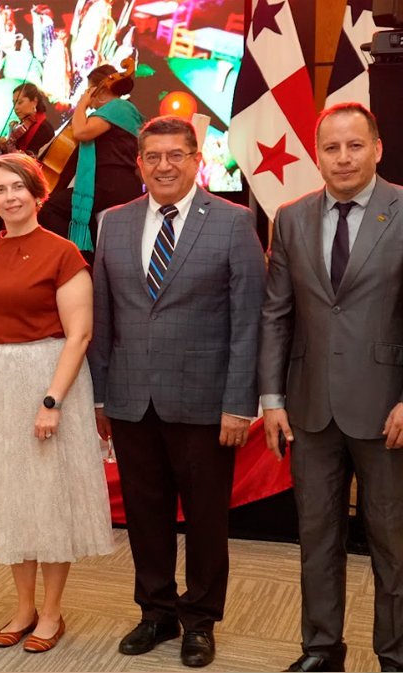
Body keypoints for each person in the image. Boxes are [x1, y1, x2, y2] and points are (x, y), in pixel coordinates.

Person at [90, 116, 265, 668]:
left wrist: (241, 403)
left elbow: (248, 322)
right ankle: (156, 611)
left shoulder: (235, 223)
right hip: (131, 398)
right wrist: (100, 397)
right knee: (145, 513)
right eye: (153, 157)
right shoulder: (112, 223)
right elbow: (104, 315)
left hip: (207, 405)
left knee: (207, 517)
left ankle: (200, 620)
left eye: (175, 155)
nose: (164, 166)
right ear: (139, 164)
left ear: (196, 160)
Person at [260, 103, 403, 673]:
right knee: (317, 538)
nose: (342, 158)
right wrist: (271, 399)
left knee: (394, 545)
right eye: (330, 148)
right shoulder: (291, 218)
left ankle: (395, 656)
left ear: (377, 149)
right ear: (316, 154)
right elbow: (276, 314)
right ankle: (321, 650)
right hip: (310, 409)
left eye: (353, 146)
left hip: (386, 410)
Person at [0, 153, 114, 653]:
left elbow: (80, 334)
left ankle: (51, 612)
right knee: (12, 498)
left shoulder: (63, 252)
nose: (9, 198)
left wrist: (51, 400)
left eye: (17, 188)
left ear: (37, 192)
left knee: (49, 500)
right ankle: (23, 606)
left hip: (48, 379)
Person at [38, 64, 144, 262]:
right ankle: (88, 260)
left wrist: (82, 104)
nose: (88, 95)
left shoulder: (119, 107)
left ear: (100, 90)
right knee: (82, 219)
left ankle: (78, 260)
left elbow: (81, 132)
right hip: (111, 183)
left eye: (89, 90)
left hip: (113, 184)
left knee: (49, 209)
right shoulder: (114, 112)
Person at [0, 83, 55, 157]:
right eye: (14, 103)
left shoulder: (45, 128)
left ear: (35, 101)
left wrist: (7, 147)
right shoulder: (21, 125)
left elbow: (29, 162)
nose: (15, 108)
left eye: (20, 102)